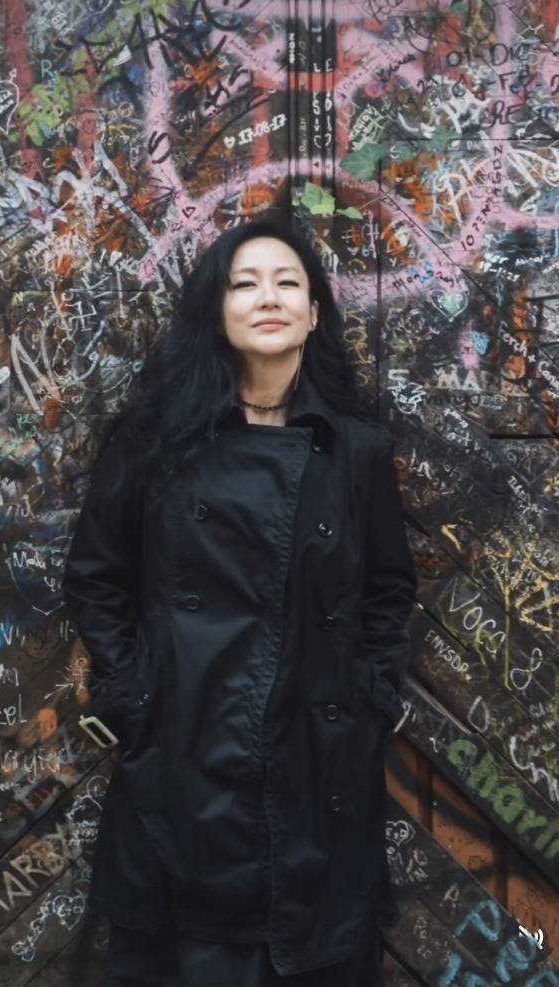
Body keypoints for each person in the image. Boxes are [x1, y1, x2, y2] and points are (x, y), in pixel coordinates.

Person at [62, 218, 418, 986]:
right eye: (245, 283)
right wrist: (137, 697)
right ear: (216, 309)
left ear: (314, 313)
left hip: (317, 768)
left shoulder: (354, 448)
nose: (268, 298)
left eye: (289, 283)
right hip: (186, 758)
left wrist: (369, 692)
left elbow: (389, 589)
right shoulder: (157, 438)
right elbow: (95, 575)